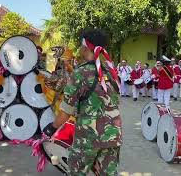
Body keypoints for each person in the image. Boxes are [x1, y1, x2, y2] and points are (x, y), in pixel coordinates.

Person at [43, 29, 122, 175]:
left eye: (81, 45)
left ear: (86, 47)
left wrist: (52, 128)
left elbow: (66, 111)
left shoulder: (80, 73)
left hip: (88, 137)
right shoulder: (111, 73)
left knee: (77, 172)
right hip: (113, 135)